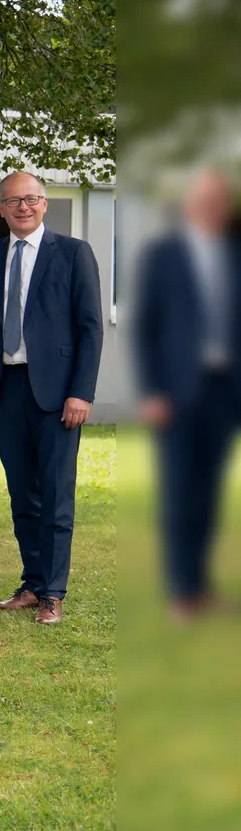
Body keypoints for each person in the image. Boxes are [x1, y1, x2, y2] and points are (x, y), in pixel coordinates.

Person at [0, 172, 104, 625]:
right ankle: (32, 583)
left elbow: (90, 328)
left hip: (57, 393)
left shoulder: (73, 252)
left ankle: (54, 593)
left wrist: (80, 393)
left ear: (44, 204)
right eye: (12, 201)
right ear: (2, 208)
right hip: (6, 390)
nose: (22, 207)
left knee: (56, 494)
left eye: (30, 199)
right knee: (22, 494)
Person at [134, 170, 241, 621]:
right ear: (190, 203)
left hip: (226, 390)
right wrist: (152, 391)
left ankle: (200, 584)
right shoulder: (164, 255)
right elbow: (145, 327)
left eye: (218, 199)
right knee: (179, 490)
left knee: (209, 491)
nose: (210, 206)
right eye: (203, 198)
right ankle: (181, 591)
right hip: (176, 394)